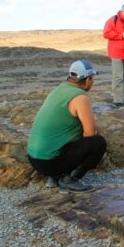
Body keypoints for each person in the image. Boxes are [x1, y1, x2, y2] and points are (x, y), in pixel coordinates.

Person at [27, 59, 107, 192]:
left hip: (34, 159)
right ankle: (69, 180)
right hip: (49, 162)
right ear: (87, 80)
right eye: (92, 78)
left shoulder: (60, 89)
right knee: (98, 143)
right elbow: (90, 133)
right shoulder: (80, 98)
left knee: (68, 135)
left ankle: (54, 177)